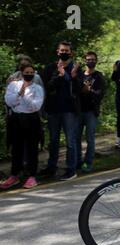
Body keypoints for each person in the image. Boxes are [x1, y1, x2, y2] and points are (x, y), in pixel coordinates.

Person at [40, 41, 83, 181]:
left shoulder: (75, 68)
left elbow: (80, 89)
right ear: (57, 52)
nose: (64, 52)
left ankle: (71, 170)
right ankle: (51, 168)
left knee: (70, 141)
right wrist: (60, 76)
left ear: (71, 52)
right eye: (62, 50)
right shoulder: (50, 68)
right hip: (53, 110)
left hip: (70, 110)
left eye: (67, 51)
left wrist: (74, 76)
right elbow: (47, 86)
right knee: (53, 140)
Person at [2, 63, 44, 190]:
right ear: (21, 73)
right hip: (16, 119)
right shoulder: (13, 85)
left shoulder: (37, 88)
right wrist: (20, 92)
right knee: (16, 149)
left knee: (32, 148)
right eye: (27, 72)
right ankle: (14, 175)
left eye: (32, 73)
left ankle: (32, 176)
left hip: (32, 120)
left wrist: (23, 96)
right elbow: (9, 102)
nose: (29, 75)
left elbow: (36, 106)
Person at [76, 52, 105, 173]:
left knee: (90, 138)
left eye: (93, 59)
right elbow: (74, 91)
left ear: (96, 61)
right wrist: (82, 90)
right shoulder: (79, 75)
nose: (90, 61)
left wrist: (89, 90)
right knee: (76, 138)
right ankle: (77, 161)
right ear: (85, 61)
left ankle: (88, 163)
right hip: (78, 111)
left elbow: (100, 94)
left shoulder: (99, 77)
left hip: (91, 112)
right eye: (88, 59)